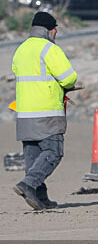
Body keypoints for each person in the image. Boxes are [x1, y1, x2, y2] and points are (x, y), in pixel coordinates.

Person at [11, 11, 78, 210]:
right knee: (53, 152)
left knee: (32, 158)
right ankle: (28, 185)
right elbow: (69, 78)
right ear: (50, 30)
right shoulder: (49, 49)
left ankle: (41, 199)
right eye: (55, 29)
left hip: (24, 114)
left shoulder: (21, 50)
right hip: (47, 112)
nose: (56, 33)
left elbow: (17, 71)